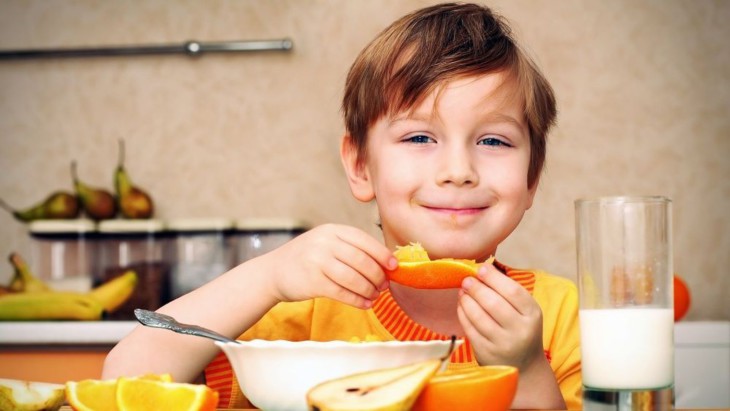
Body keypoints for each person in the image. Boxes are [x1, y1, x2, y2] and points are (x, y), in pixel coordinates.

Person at [103, 2, 581, 409]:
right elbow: (126, 381)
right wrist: (266, 277)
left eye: (494, 141)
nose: (458, 170)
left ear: (532, 177)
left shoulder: (563, 314)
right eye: (419, 136)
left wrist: (524, 369)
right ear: (360, 166)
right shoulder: (305, 314)